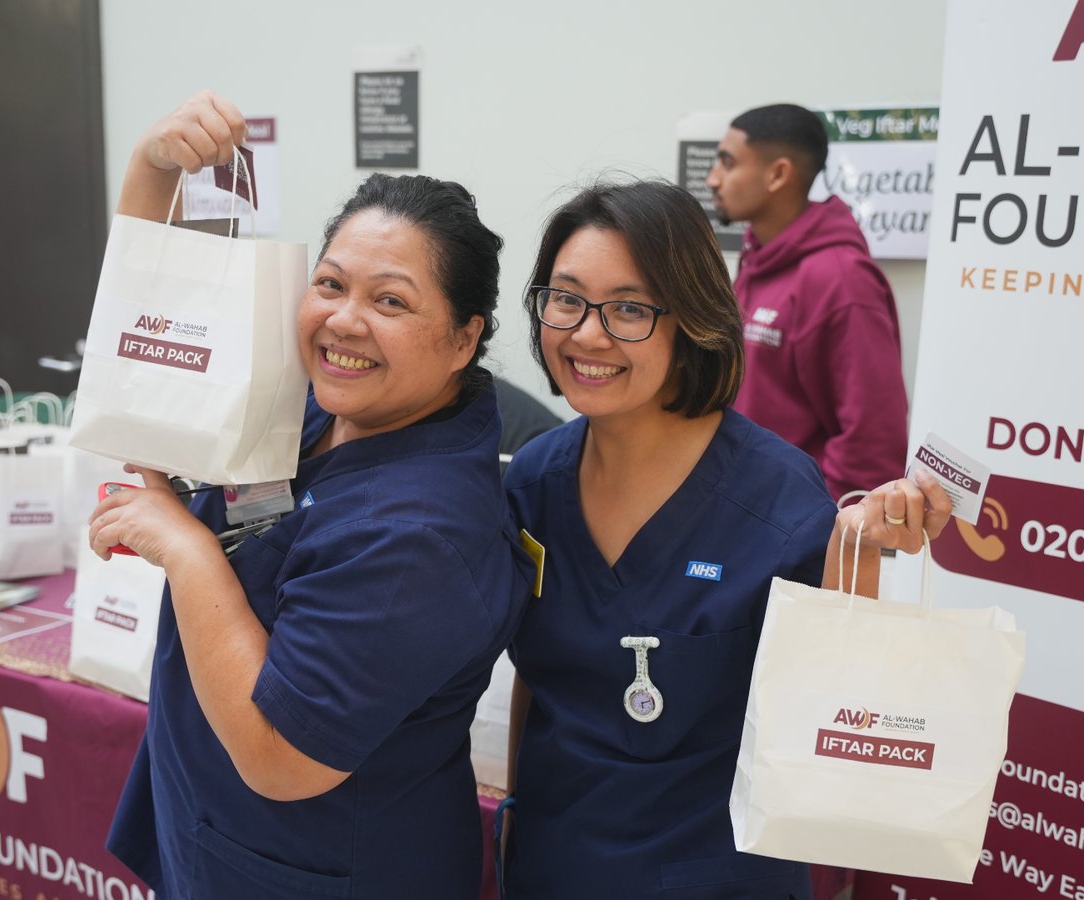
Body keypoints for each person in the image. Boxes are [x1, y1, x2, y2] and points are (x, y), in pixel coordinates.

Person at [88, 91, 532, 900]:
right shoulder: (318, 406)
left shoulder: (420, 539)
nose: (344, 321)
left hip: (324, 868)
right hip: (219, 831)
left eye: (390, 300)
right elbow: (147, 336)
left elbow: (279, 758)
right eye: (330, 284)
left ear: (464, 339)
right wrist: (154, 168)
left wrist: (186, 550)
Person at [499, 180, 949, 899]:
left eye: (629, 308)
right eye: (566, 299)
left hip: (718, 874)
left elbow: (836, 709)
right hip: (555, 865)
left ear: (692, 322)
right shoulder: (533, 481)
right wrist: (515, 818)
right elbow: (540, 680)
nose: (587, 334)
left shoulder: (776, 498)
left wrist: (860, 555)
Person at [706, 103, 909, 504]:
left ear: (778, 174)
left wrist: (818, 527)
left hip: (792, 525)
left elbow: (872, 441)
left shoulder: (842, 280)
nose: (713, 179)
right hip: (740, 510)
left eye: (728, 163)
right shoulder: (757, 260)